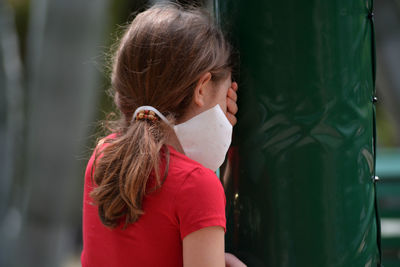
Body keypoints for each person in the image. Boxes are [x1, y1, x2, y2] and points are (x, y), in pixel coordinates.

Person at [81, 2, 245, 267]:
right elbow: (182, 189)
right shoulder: (197, 187)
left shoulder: (103, 158)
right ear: (202, 88)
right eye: (225, 97)